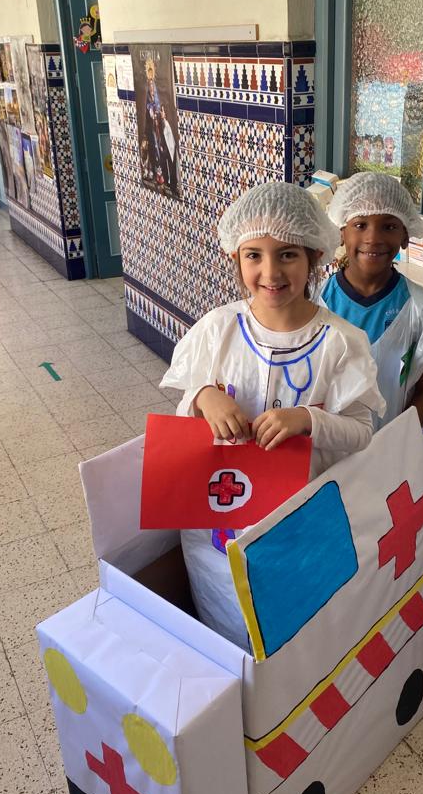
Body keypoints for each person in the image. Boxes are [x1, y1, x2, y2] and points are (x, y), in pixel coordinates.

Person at [160, 181, 385, 649]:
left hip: (297, 520)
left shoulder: (341, 343)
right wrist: (204, 396)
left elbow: (362, 432)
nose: (270, 271)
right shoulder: (218, 329)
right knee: (226, 625)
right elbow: (184, 408)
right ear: (235, 258)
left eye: (287, 254)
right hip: (218, 523)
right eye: (254, 255)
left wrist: (307, 420)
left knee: (290, 635)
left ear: (314, 257)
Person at [320, 172, 423, 427]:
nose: (373, 238)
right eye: (360, 225)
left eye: (389, 226)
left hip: (387, 445)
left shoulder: (421, 309)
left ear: (405, 236)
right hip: (321, 445)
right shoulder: (316, 301)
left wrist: (398, 439)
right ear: (342, 233)